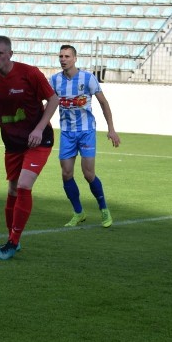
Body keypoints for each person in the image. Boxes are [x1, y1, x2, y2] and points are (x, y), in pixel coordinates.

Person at [0, 36, 59, 260]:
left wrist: (39, 128)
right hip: (12, 142)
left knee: (24, 186)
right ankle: (12, 237)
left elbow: (53, 100)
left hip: (38, 140)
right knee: (13, 190)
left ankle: (13, 241)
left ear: (10, 54)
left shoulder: (30, 73)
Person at [50, 45, 120, 228]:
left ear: (75, 58)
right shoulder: (55, 80)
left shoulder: (87, 78)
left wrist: (111, 129)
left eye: (66, 56)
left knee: (88, 174)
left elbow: (104, 103)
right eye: (61, 56)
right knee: (66, 173)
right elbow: (49, 103)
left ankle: (104, 209)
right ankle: (78, 212)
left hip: (86, 131)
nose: (63, 59)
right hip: (66, 132)